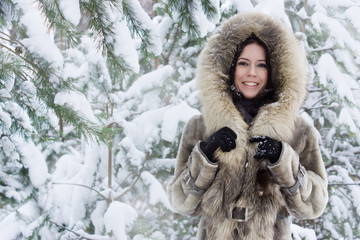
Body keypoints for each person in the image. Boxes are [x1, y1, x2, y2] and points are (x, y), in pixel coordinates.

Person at [166, 12, 328, 240]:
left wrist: (284, 161)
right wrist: (205, 157)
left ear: (273, 70)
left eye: (261, 65)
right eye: (243, 63)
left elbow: (313, 205)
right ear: (229, 68)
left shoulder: (298, 131)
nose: (252, 73)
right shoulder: (200, 127)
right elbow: (180, 203)